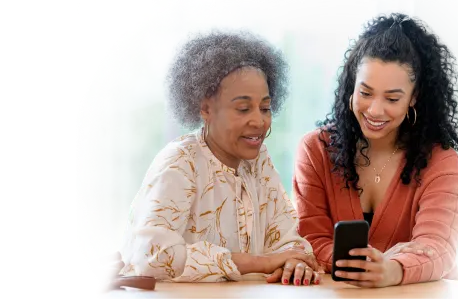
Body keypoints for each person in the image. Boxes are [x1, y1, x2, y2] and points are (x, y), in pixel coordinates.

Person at [116, 26, 321, 286]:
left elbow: (288, 238)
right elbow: (152, 257)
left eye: (265, 107)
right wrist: (261, 262)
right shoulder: (180, 162)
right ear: (205, 108)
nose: (259, 120)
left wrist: (295, 262)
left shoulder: (259, 161)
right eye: (243, 108)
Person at [293, 12, 458, 288]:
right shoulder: (315, 150)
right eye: (365, 93)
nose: (375, 110)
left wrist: (394, 270)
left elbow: (437, 248)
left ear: (414, 97)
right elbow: (311, 241)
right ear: (351, 86)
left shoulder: (441, 161)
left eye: (392, 98)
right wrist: (370, 266)